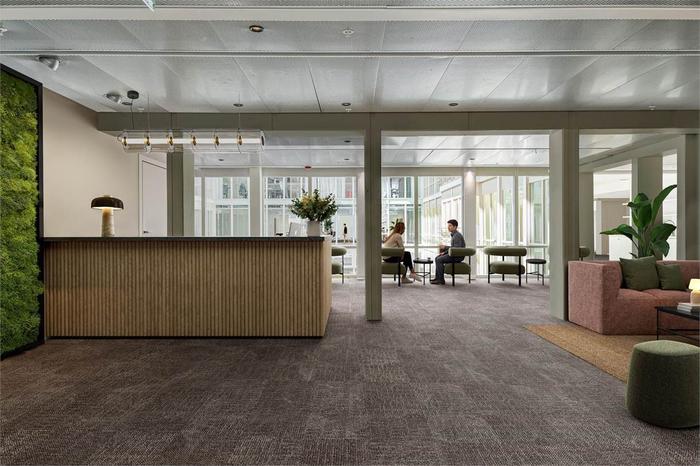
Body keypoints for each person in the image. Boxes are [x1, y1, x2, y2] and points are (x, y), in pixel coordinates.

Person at [431, 219, 466, 285]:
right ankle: (438, 278)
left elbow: (456, 249)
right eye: (448, 226)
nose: (448, 227)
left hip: (457, 256)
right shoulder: (454, 235)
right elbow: (453, 248)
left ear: (455, 227)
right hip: (454, 254)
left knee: (439, 259)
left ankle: (441, 280)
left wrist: (445, 247)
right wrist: (444, 252)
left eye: (450, 226)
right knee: (437, 258)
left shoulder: (457, 236)